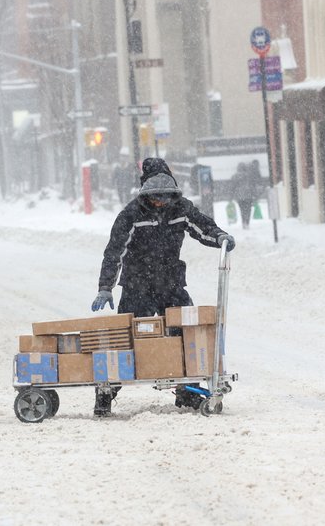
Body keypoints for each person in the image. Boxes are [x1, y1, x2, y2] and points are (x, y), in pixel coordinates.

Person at [89, 171, 234, 416]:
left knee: (187, 335)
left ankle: (187, 391)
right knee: (126, 340)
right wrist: (105, 287)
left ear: (172, 195)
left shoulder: (181, 209)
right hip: (138, 285)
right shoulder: (131, 215)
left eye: (165, 198)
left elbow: (203, 227)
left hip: (171, 283)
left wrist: (219, 236)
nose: (160, 203)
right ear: (146, 195)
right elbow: (115, 252)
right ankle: (106, 391)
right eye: (155, 198)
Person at [229, 162, 259, 229]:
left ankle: (243, 222)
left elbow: (232, 187)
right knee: (248, 210)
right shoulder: (249, 176)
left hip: (239, 197)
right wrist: (255, 195)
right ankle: (247, 222)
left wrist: (231, 196)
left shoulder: (235, 176)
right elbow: (252, 186)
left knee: (242, 210)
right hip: (248, 196)